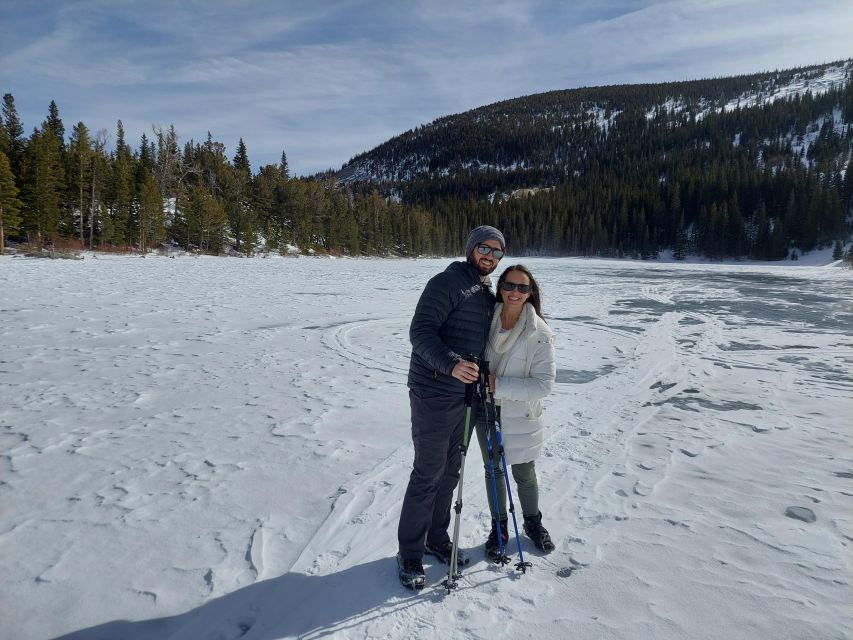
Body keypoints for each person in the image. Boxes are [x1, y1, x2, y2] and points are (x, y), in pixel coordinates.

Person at [397, 225, 506, 590]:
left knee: (450, 472)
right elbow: (420, 331)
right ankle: (410, 553)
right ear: (471, 248)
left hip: (465, 397)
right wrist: (452, 364)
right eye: (485, 248)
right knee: (428, 471)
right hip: (433, 391)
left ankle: (436, 538)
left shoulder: (482, 289)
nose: (490, 256)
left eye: (497, 251)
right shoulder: (447, 282)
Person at [475, 264, 556, 561]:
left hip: (520, 414)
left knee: (523, 471)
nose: (514, 292)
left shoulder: (540, 334)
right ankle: (499, 528)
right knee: (493, 469)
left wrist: (499, 385)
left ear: (530, 293)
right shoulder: (486, 318)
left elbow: (543, 385)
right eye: (509, 285)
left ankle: (533, 523)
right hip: (486, 409)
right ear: (500, 288)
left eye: (522, 288)